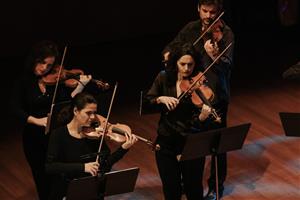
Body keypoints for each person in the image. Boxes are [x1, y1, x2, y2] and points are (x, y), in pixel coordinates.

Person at [162, 1, 234, 199]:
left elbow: (227, 67)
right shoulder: (190, 28)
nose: (208, 16)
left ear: (219, 12)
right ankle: (192, 183)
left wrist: (215, 55)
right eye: (205, 11)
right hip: (191, 94)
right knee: (193, 141)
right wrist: (168, 53)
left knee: (217, 145)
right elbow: (172, 46)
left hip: (215, 95)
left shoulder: (226, 33)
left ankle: (216, 185)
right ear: (198, 9)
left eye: (213, 12)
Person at [11, 40, 92, 200]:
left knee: (61, 180)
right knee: (42, 179)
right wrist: (37, 120)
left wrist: (80, 86)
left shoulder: (58, 82)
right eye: (42, 63)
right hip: (35, 139)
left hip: (57, 137)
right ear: (34, 60)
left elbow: (69, 105)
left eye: (49, 66)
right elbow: (15, 109)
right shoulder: (23, 82)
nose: (44, 69)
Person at [144, 42, 216, 200]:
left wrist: (202, 118)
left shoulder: (199, 82)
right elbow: (147, 102)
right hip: (166, 142)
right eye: (182, 64)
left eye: (190, 64)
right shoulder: (163, 78)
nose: (186, 69)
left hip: (190, 142)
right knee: (171, 189)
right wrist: (159, 99)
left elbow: (198, 125)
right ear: (175, 62)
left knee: (194, 188)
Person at [45, 92, 138, 199]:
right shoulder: (58, 135)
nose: (93, 117)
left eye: (94, 112)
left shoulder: (95, 136)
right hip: (68, 190)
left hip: (93, 190)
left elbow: (105, 165)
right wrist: (83, 167)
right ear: (76, 111)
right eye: (88, 113)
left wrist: (123, 149)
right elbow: (50, 166)